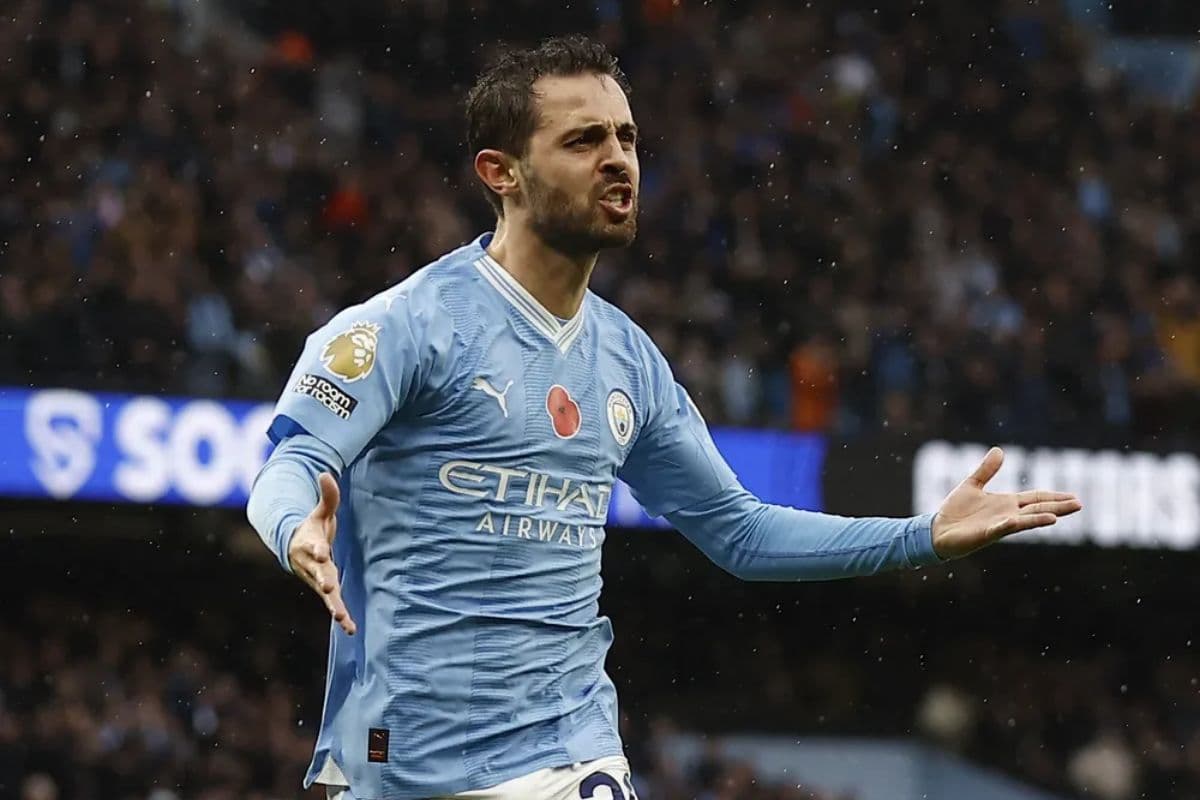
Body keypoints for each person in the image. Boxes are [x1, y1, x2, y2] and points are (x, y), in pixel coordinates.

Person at [246, 35, 1082, 800]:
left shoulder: (630, 362)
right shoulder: (402, 327)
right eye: (584, 141)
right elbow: (288, 464)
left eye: (627, 139)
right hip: (404, 764)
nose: (619, 161)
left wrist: (921, 534)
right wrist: (298, 533)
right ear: (500, 172)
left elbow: (742, 533)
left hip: (571, 755)